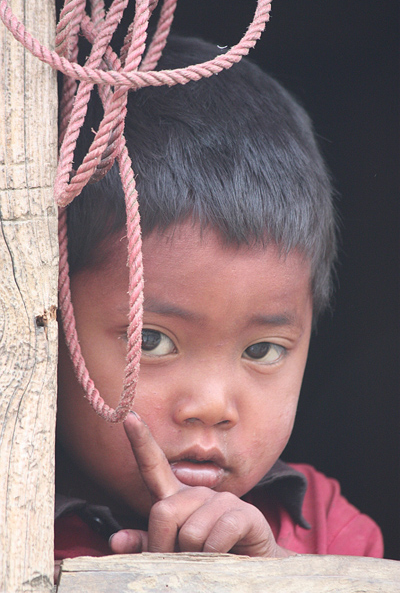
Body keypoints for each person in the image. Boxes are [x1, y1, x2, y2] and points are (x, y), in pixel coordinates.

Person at [55, 35, 383, 563]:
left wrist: (276, 577)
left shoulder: (326, 531)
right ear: (50, 321)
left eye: (262, 351)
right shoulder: (18, 529)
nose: (211, 406)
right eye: (153, 340)